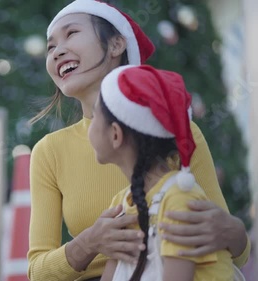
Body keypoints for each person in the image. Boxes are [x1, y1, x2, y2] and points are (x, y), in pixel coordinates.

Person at [27, 0, 250, 280]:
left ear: (117, 44)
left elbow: (235, 253)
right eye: (50, 47)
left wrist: (235, 233)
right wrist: (88, 244)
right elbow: (37, 272)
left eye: (71, 33)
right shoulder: (49, 152)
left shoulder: (180, 130)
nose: (57, 51)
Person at [89, 64, 237, 281]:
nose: (89, 125)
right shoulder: (121, 204)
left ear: (115, 135)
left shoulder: (179, 200)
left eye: (94, 117)